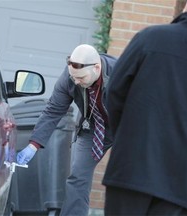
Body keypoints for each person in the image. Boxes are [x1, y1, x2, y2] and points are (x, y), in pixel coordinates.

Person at [103, 0, 187, 215]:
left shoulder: (149, 37)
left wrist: (126, 138)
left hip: (131, 168)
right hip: (186, 182)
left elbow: (113, 92)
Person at [16, 44, 118, 215]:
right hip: (93, 127)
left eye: (81, 78)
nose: (76, 82)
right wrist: (33, 145)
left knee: (127, 180)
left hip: (127, 129)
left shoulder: (121, 72)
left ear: (97, 68)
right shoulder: (70, 77)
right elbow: (53, 110)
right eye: (73, 78)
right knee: (77, 177)